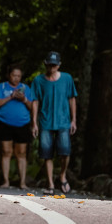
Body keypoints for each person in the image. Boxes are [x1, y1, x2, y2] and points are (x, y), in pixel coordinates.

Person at [31, 51, 77, 195]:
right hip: (46, 121)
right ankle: (50, 183)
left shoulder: (67, 78)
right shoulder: (38, 80)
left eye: (54, 65)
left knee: (65, 151)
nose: (52, 68)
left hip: (63, 121)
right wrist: (34, 123)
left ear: (59, 65)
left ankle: (62, 176)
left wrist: (74, 120)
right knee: (47, 153)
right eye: (50, 65)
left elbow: (72, 98)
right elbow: (35, 101)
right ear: (46, 64)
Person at [0, 65, 34, 189]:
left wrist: (24, 99)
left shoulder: (26, 88)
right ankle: (6, 181)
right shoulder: (1, 87)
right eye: (14, 75)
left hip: (23, 124)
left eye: (18, 76)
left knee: (22, 153)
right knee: (6, 152)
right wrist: (11, 96)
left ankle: (22, 183)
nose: (16, 78)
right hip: (4, 123)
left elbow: (33, 107)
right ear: (8, 75)